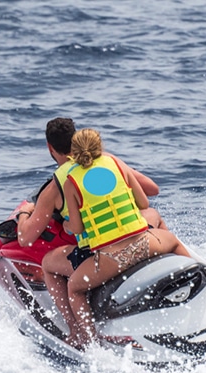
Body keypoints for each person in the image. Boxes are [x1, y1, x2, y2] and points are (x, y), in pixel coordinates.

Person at [13, 118, 167, 344]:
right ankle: (167, 257)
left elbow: (26, 239)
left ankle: (77, 333)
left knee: (49, 264)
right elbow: (152, 190)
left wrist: (24, 213)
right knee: (153, 216)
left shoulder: (57, 185)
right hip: (137, 237)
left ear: (50, 147)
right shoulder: (108, 160)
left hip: (102, 251)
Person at [62, 128, 191, 348]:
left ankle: (91, 343)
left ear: (73, 153)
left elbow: (76, 227)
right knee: (173, 241)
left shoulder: (71, 182)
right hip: (147, 244)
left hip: (112, 259)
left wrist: (66, 224)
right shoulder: (116, 164)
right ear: (99, 146)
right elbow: (144, 204)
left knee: (74, 288)